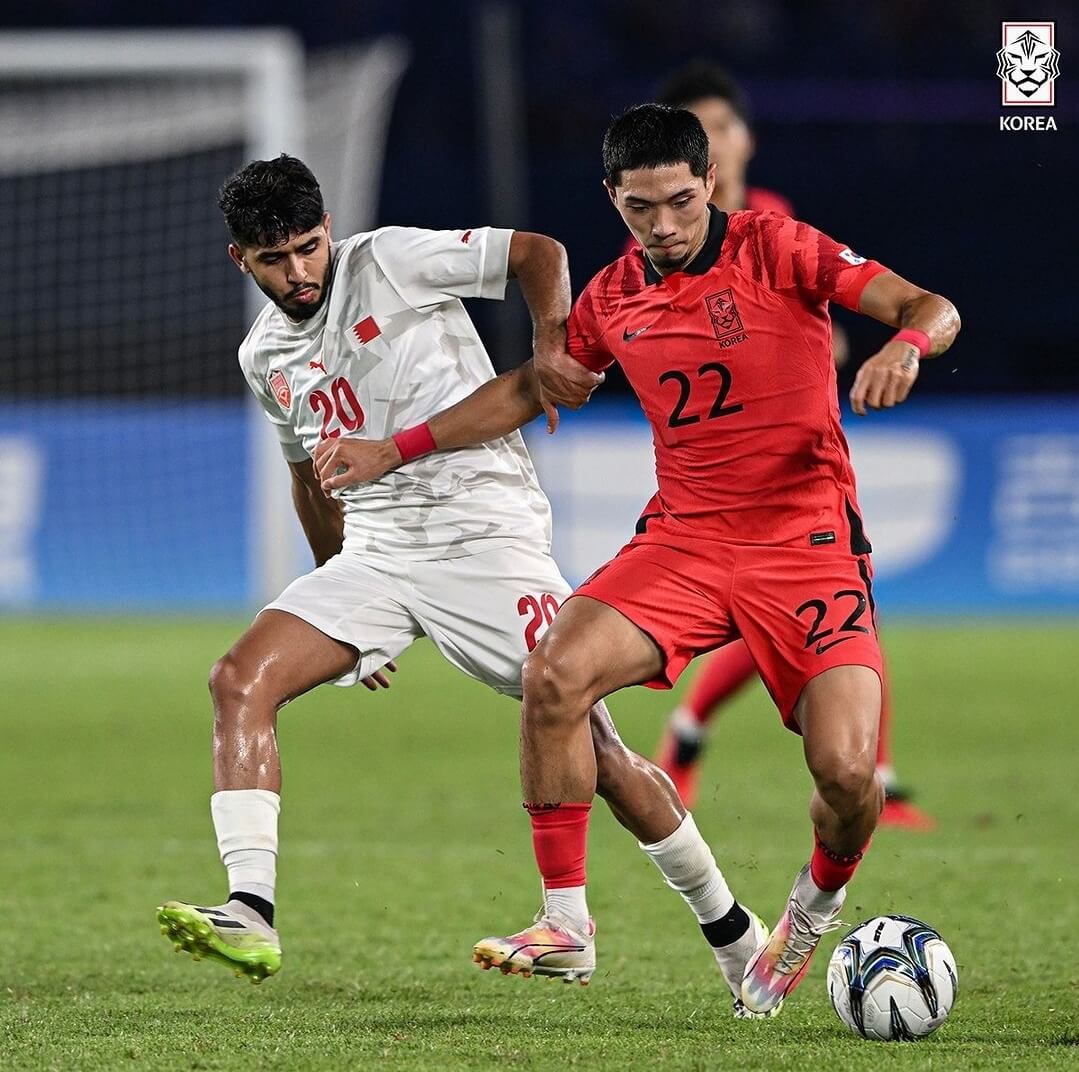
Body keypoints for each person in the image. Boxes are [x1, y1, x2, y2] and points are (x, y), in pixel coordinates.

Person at [155, 154, 773, 1016]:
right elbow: (309, 478)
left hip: (484, 529)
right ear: (240, 261)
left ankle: (735, 934)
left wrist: (551, 346)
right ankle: (251, 911)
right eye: (274, 259)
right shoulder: (263, 355)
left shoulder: (391, 262)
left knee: (593, 750)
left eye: (307, 247)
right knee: (236, 681)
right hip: (375, 552)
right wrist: (339, 597)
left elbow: (538, 251)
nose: (298, 273)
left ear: (328, 229)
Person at [473, 105, 959, 1015]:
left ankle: (810, 913)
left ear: (709, 186)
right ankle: (566, 925)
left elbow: (932, 307)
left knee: (849, 777)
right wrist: (399, 447)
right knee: (555, 677)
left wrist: (904, 345)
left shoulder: (778, 249)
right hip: (686, 541)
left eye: (681, 203)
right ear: (612, 199)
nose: (662, 227)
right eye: (639, 208)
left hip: (808, 545)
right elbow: (539, 386)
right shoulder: (613, 297)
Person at [634, 62, 928, 828]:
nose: (718, 146)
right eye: (702, 132)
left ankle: (866, 777)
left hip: (800, 471)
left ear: (741, 142)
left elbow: (812, 309)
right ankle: (692, 736)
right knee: (794, 617)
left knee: (840, 619)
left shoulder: (769, 221)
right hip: (714, 487)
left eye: (724, 129)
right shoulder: (647, 257)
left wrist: (835, 346)